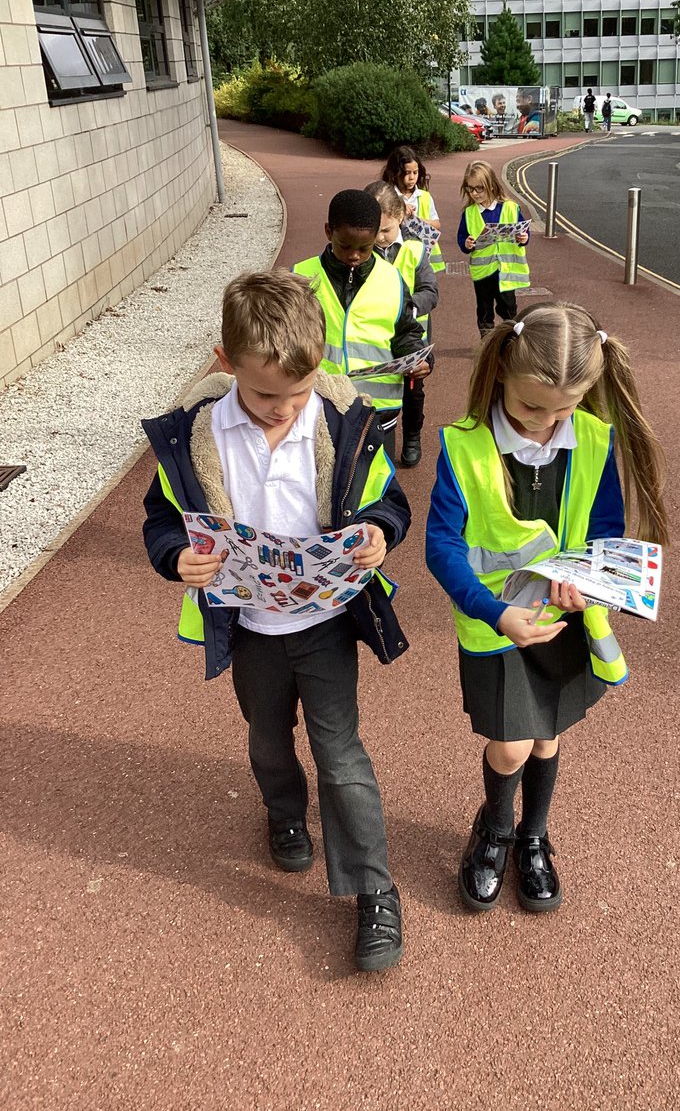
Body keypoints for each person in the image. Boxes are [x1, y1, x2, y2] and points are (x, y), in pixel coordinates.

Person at [141, 269, 411, 971]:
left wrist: (378, 531)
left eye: (299, 391)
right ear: (225, 362)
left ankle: (375, 889)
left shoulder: (343, 422)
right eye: (265, 395)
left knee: (341, 753)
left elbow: (389, 502)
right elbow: (161, 518)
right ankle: (286, 812)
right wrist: (176, 558)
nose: (283, 409)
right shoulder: (195, 435)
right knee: (267, 739)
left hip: (326, 623)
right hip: (250, 626)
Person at [425, 304, 669, 915]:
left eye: (563, 409)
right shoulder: (465, 446)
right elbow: (442, 546)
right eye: (531, 405)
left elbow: (605, 531)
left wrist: (590, 583)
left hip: (562, 621)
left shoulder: (593, 439)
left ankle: (534, 835)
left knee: (546, 738)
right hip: (499, 624)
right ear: (502, 369)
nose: (544, 422)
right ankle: (496, 829)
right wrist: (493, 612)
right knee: (510, 745)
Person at [292, 189, 427, 463]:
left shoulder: (392, 279)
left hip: (379, 411)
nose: (354, 255)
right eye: (345, 246)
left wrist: (418, 357)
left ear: (376, 235)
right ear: (329, 232)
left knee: (377, 483)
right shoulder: (301, 277)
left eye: (364, 248)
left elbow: (406, 331)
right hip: (318, 405)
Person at [365, 180, 439, 468]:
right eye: (375, 231)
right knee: (379, 387)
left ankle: (412, 436)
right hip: (377, 335)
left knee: (413, 391)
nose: (380, 237)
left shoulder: (415, 249)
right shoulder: (363, 250)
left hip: (412, 335)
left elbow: (430, 291)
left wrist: (405, 307)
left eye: (386, 230)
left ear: (399, 217)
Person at [457, 160, 530, 337]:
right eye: (470, 188)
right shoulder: (469, 213)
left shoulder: (510, 208)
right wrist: (466, 244)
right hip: (483, 273)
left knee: (509, 310)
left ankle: (511, 341)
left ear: (491, 185)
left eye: (479, 188)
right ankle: (486, 343)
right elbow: (462, 237)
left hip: (506, 271)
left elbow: (523, 231)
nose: (474, 193)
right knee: (484, 310)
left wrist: (524, 238)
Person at [381, 146, 445, 274]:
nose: (412, 177)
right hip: (398, 258)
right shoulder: (387, 196)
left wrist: (418, 221)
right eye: (407, 173)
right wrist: (400, 209)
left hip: (423, 260)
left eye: (415, 173)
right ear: (395, 173)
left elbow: (437, 224)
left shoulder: (425, 197)